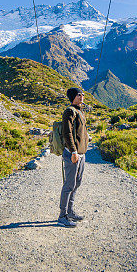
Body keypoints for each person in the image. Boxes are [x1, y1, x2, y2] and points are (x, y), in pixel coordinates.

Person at [58, 87, 88, 227]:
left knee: (77, 183)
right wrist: (73, 151)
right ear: (72, 97)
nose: (81, 97)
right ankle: (62, 216)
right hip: (73, 154)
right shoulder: (69, 111)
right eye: (78, 95)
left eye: (82, 94)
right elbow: (67, 133)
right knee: (69, 185)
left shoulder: (79, 111)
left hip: (81, 154)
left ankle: (70, 212)